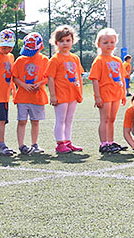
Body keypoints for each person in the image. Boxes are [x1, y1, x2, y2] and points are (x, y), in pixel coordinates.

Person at [46, 25, 84, 154]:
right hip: (61, 94)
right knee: (60, 119)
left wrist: (80, 93)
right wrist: (52, 95)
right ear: (56, 43)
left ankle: (68, 142)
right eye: (61, 41)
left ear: (73, 41)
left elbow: (78, 76)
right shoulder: (55, 59)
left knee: (69, 119)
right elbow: (50, 78)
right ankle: (60, 143)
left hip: (72, 94)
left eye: (68, 40)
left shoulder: (75, 58)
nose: (65, 43)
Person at [89, 28, 128, 154]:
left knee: (112, 119)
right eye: (105, 42)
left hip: (116, 93)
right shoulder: (99, 60)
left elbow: (121, 78)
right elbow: (95, 79)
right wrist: (97, 96)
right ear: (99, 44)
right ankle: (103, 143)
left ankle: (111, 142)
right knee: (104, 119)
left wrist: (123, 93)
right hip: (105, 94)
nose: (109, 45)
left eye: (111, 42)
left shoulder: (117, 61)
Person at [11, 32, 48, 155]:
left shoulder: (44, 60)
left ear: (40, 46)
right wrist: (24, 85)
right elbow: (15, 77)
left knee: (35, 121)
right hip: (22, 97)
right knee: (22, 121)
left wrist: (40, 84)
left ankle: (34, 144)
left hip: (37, 97)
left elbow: (48, 77)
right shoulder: (20, 60)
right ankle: (21, 145)